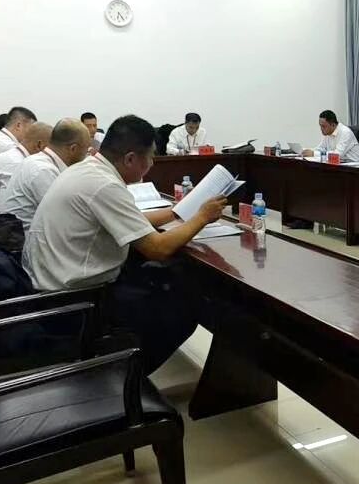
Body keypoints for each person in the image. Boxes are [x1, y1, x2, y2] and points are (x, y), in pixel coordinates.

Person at [23, 114, 228, 373]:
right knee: (187, 302)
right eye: (150, 157)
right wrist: (202, 217)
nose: (152, 163)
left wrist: (177, 212)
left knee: (167, 276)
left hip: (55, 286)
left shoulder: (89, 170)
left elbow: (132, 219)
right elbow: (158, 248)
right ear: (130, 158)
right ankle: (125, 377)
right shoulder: (104, 184)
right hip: (78, 301)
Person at [0, 118, 93, 229]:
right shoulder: (43, 170)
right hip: (23, 237)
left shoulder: (38, 161)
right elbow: (63, 216)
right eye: (86, 150)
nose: (87, 156)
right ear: (73, 149)